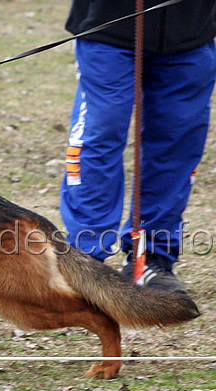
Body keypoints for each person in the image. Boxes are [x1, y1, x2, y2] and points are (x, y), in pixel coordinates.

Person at [60, 0, 216, 294]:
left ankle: (151, 258)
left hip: (191, 32)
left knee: (177, 144)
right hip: (108, 28)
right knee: (100, 135)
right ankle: (85, 258)